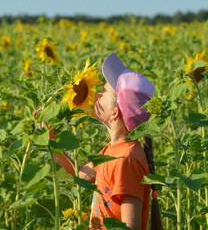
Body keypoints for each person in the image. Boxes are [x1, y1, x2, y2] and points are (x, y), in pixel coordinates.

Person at [54, 53, 163, 230]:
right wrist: (49, 138)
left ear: (114, 113)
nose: (96, 94)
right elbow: (76, 177)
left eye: (103, 92)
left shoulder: (126, 160)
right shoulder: (112, 151)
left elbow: (131, 226)